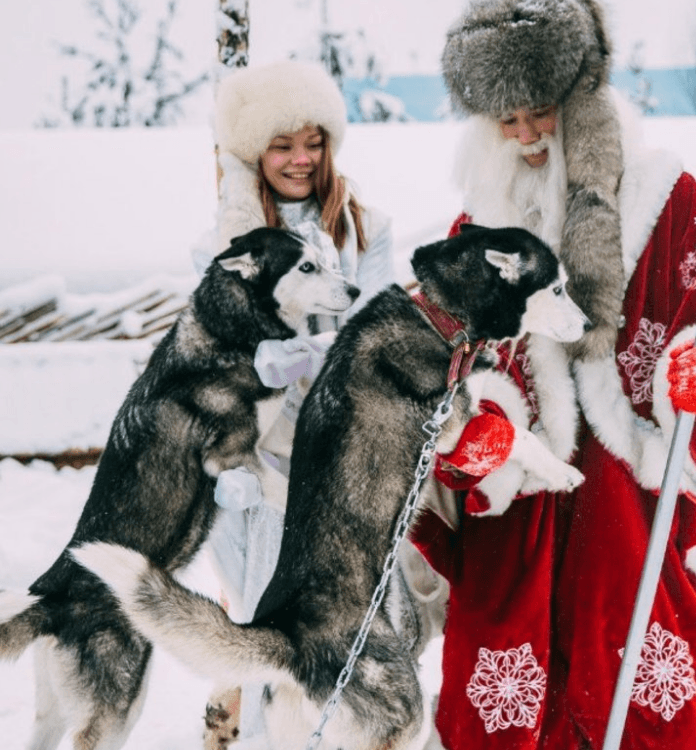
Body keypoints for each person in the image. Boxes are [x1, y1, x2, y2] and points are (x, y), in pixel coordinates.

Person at [408, 1, 696, 749]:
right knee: (501, 710)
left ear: (582, 103)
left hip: (635, 511)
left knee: (650, 703)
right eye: (506, 120)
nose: (525, 137)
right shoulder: (474, 234)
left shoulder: (672, 204)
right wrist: (475, 431)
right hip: (518, 522)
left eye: (541, 112)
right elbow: (446, 373)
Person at [193, 59, 445, 749]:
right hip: (257, 455)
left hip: (337, 455)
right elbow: (218, 351)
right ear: (255, 153)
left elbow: (367, 337)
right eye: (282, 145)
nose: (301, 158)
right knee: (257, 617)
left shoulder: (365, 229)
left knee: (346, 619)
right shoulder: (222, 246)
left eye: (313, 141)